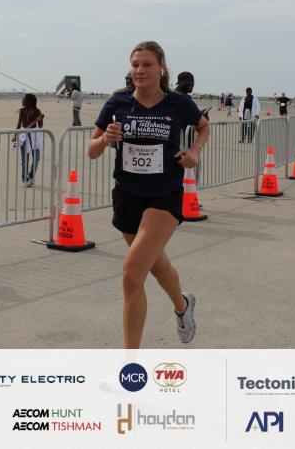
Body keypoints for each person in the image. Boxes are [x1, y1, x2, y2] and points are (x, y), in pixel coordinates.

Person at [88, 41, 208, 348]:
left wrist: (195, 150)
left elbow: (203, 127)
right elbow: (91, 150)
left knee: (131, 275)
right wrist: (105, 140)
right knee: (155, 264)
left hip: (164, 196)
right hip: (127, 196)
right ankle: (183, 305)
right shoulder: (118, 101)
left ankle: (130, 364)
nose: (140, 70)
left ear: (162, 68)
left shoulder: (178, 103)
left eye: (147, 64)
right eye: (135, 65)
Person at [14, 94, 45, 187]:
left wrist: (40, 119)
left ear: (29, 101)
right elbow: (19, 124)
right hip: (24, 135)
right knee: (25, 159)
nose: (22, 101)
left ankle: (31, 175)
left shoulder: (37, 111)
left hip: (34, 136)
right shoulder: (22, 111)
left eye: (24, 99)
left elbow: (40, 126)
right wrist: (15, 135)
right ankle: (25, 178)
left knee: (37, 158)